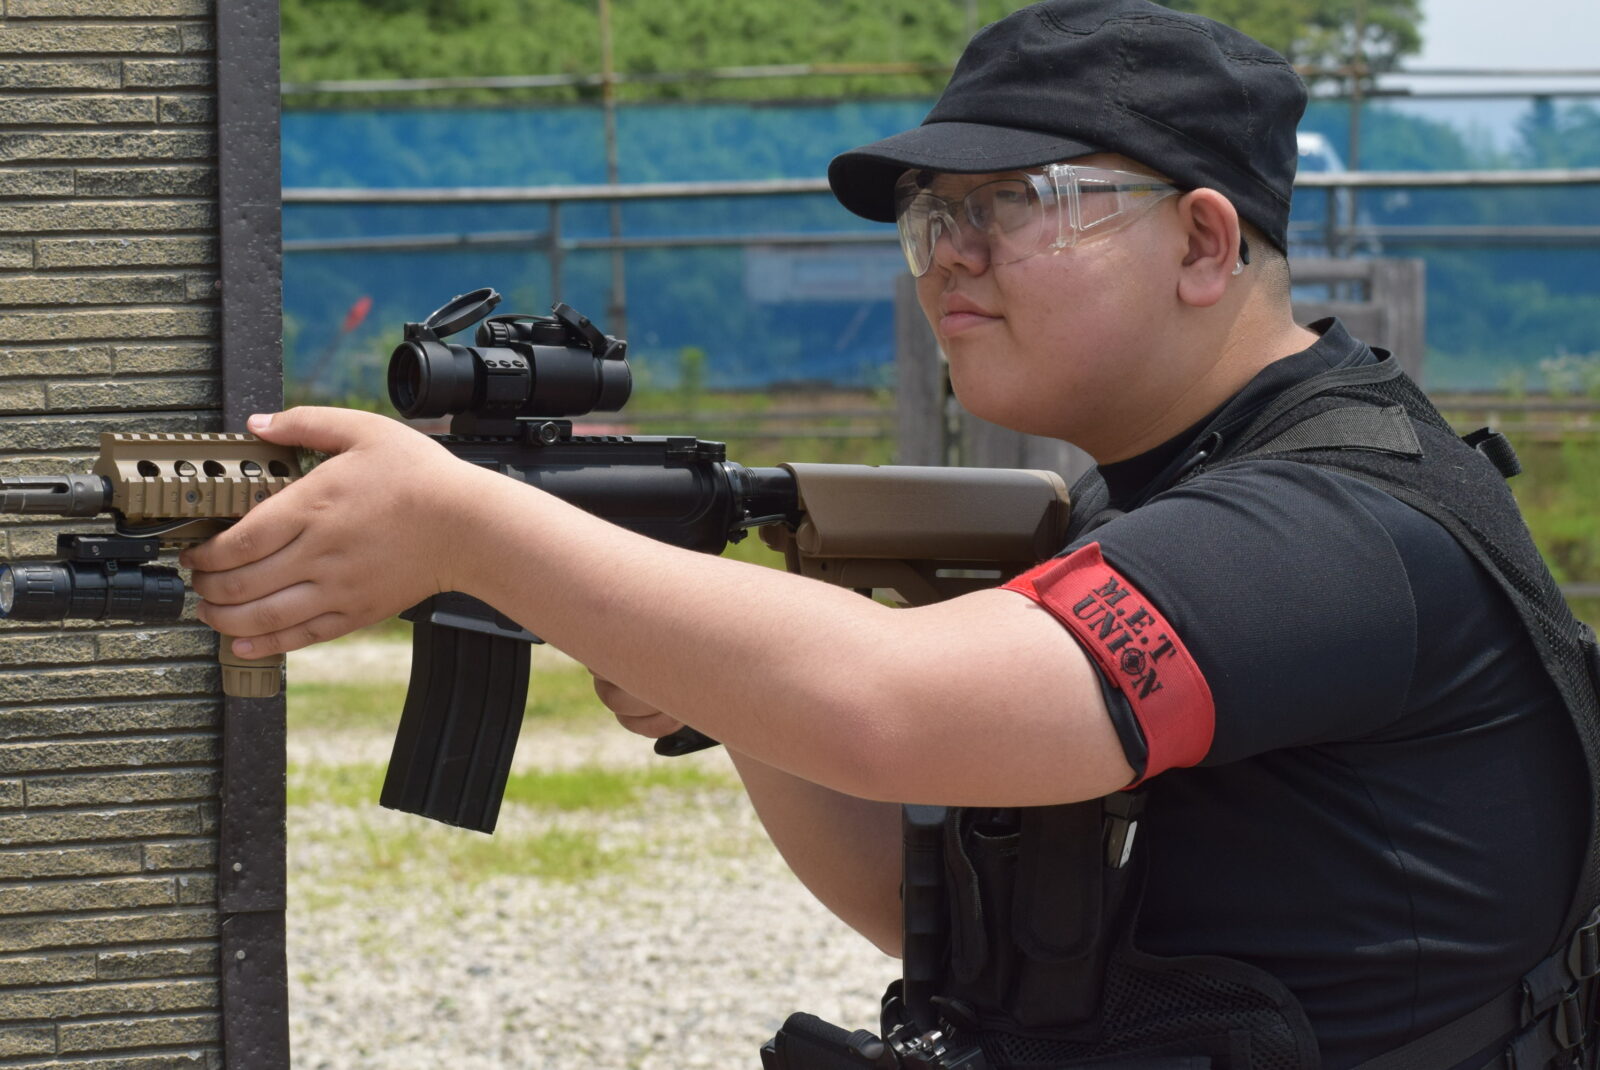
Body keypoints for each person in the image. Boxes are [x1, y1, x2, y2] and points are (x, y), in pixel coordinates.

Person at [182, 1, 1600, 1067]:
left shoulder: (1329, 527)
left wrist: (464, 523)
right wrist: (703, 665)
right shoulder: (1154, 496)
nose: (949, 259)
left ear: (1204, 243)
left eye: (1014, 205)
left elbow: (892, 706)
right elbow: (948, 924)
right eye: (934, 220)